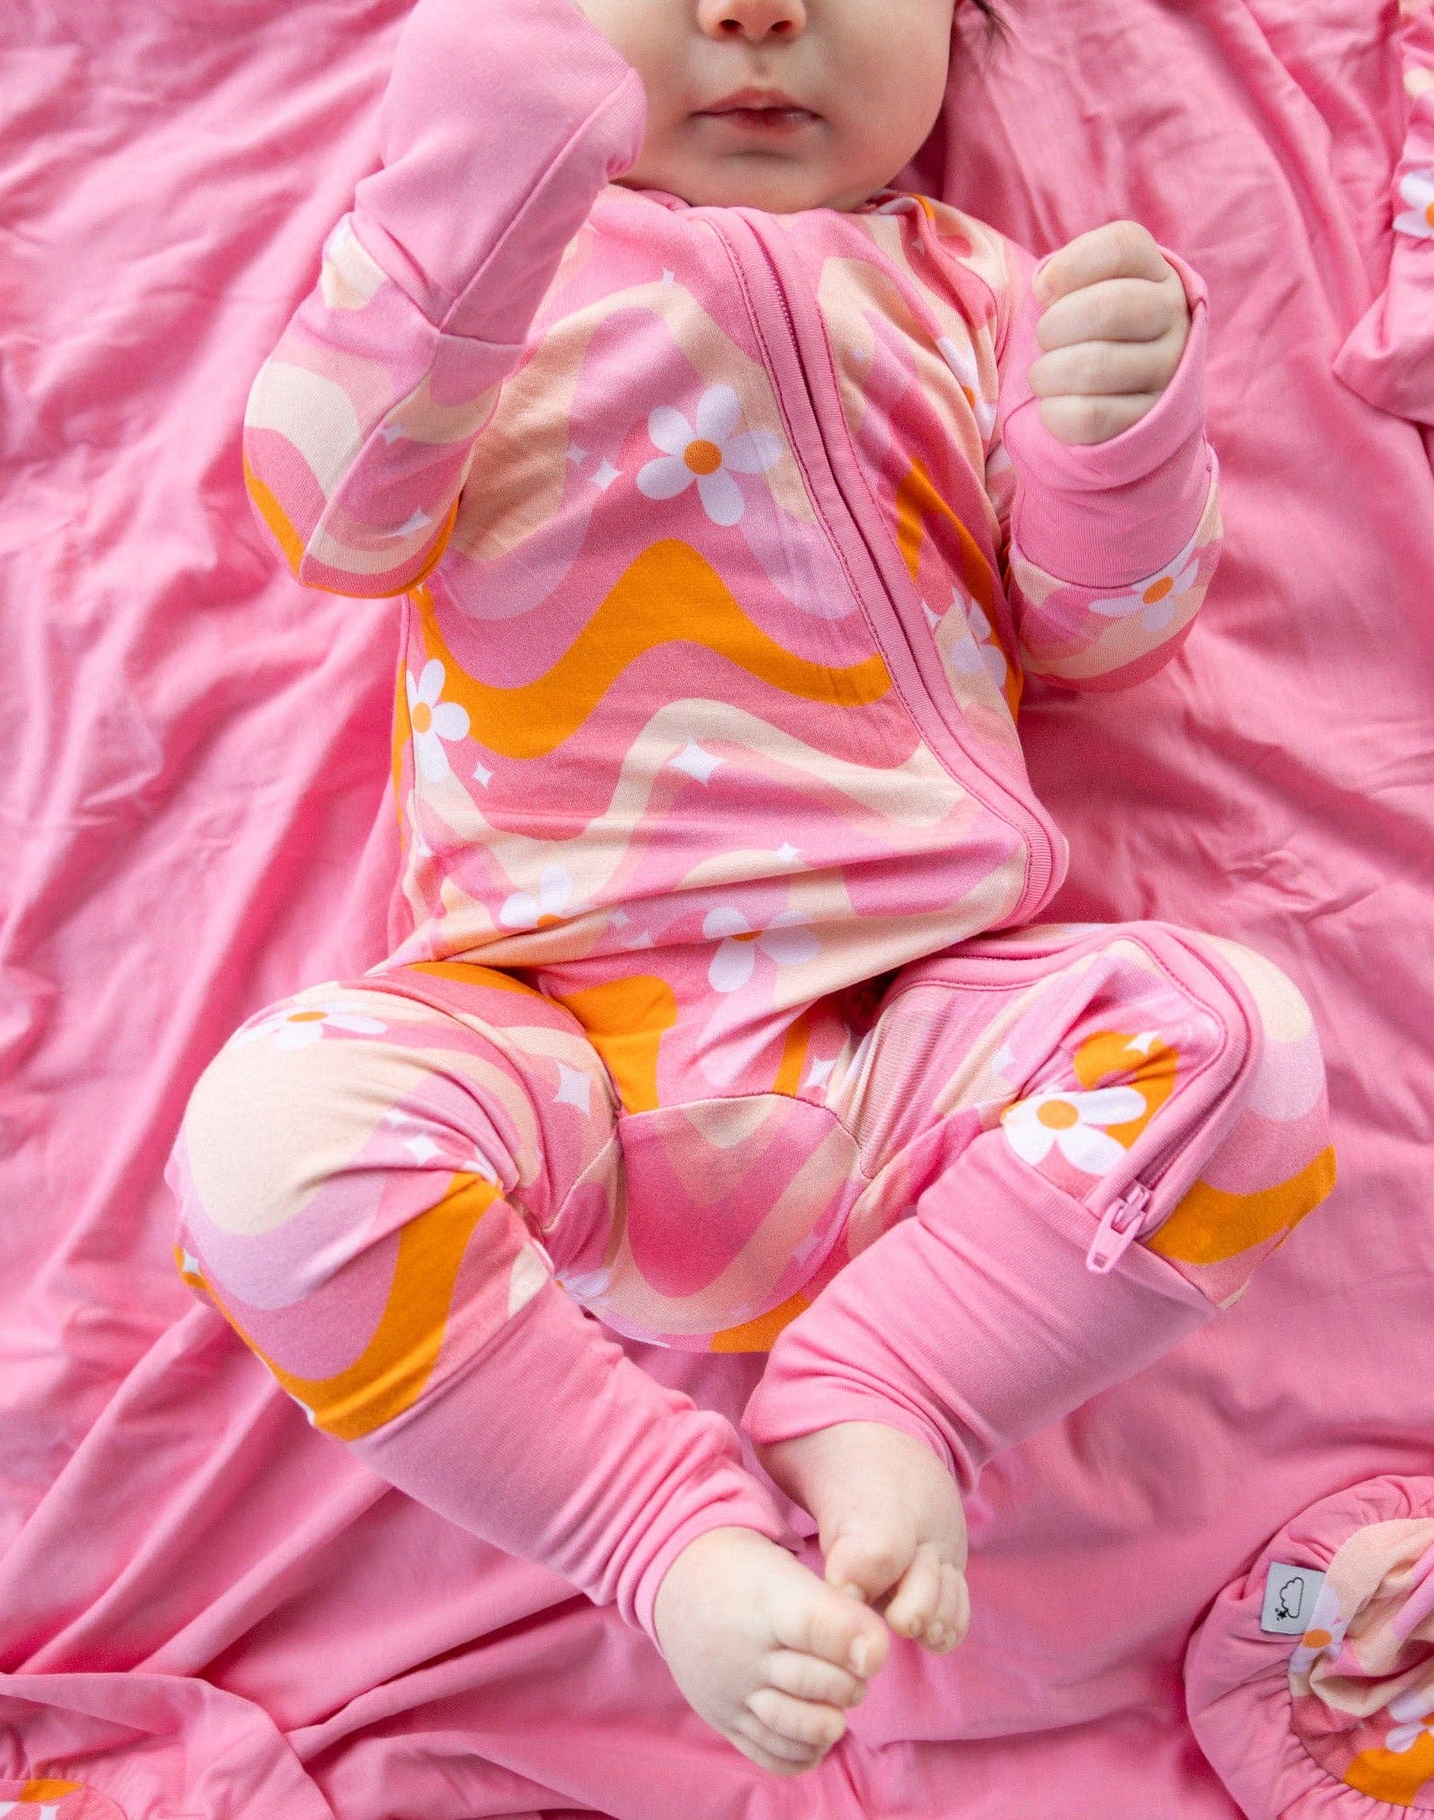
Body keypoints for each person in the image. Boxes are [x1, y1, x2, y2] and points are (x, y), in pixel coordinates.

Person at [168, 0, 1337, 1780]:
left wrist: (1114, 438)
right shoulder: (494, 265)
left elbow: (1096, 641)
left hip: (917, 1043)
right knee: (267, 1142)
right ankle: (655, 1530)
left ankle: (890, 1387)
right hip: (552, 1034)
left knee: (1242, 1048)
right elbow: (330, 520)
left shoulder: (974, 290)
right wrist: (465, 195)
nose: (756, 11)